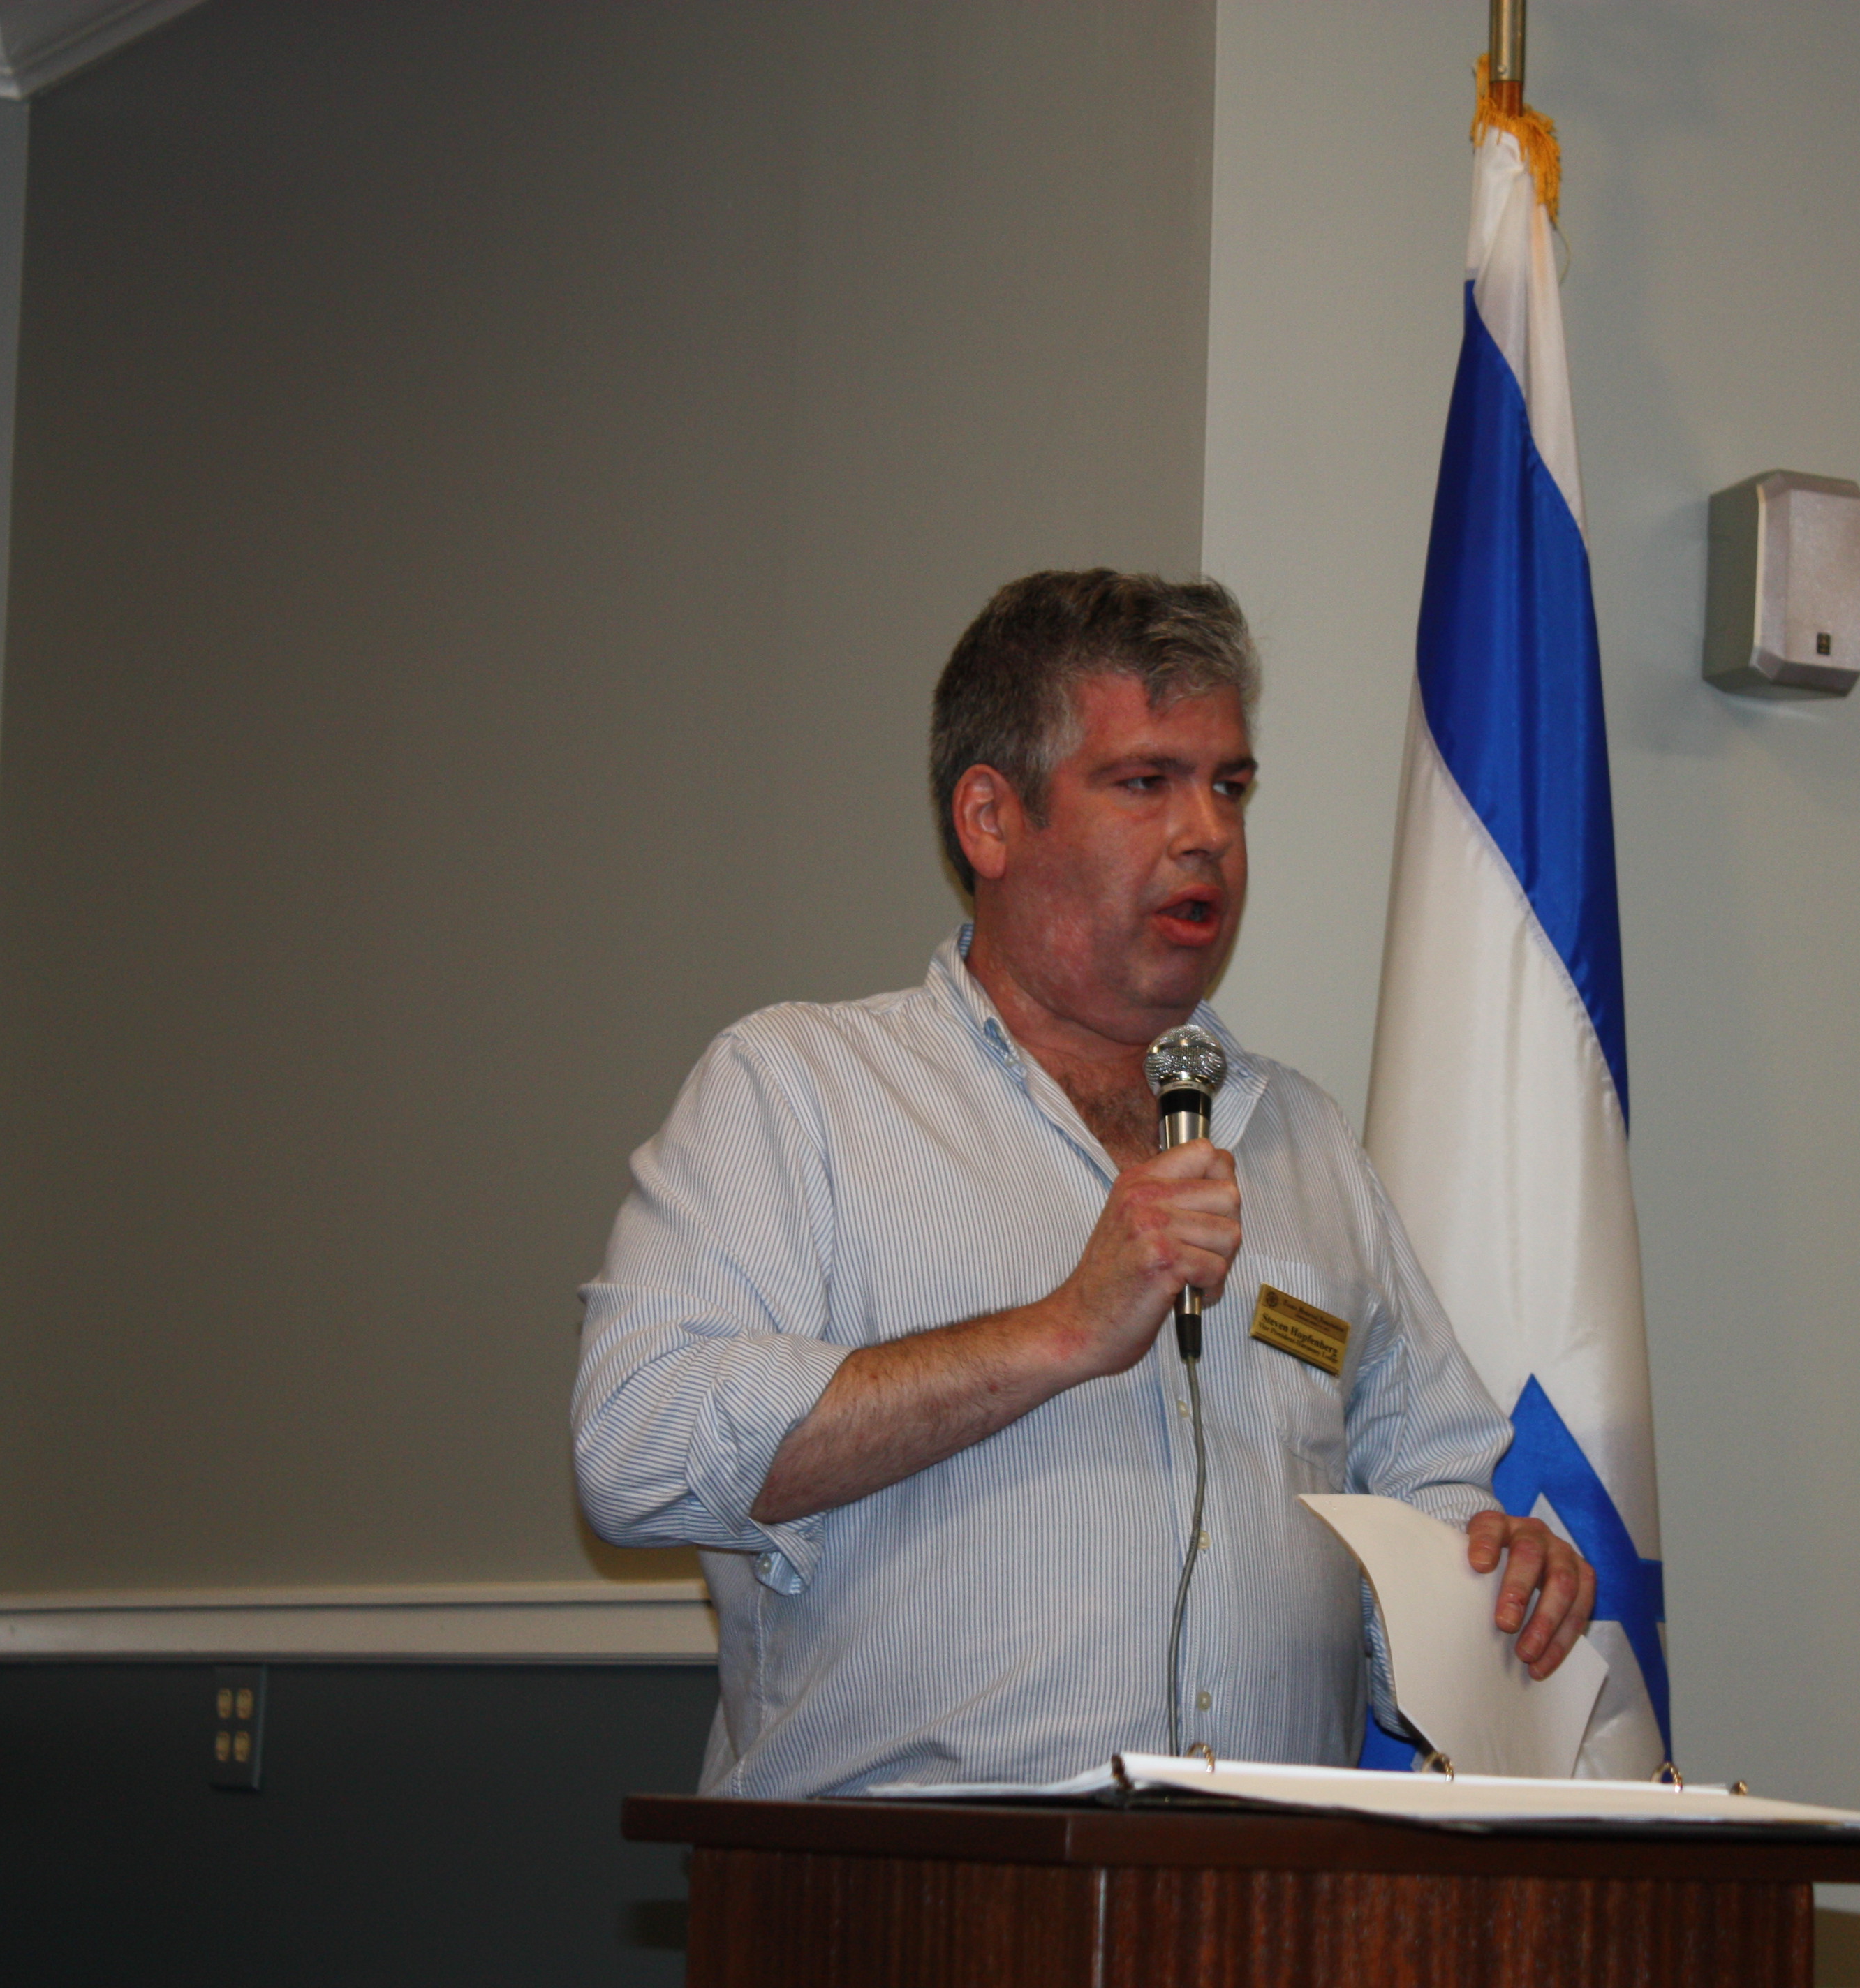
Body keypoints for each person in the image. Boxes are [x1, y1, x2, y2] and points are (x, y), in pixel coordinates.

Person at [573, 568, 1593, 1797]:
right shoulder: (799, 1092)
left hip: (1270, 1883)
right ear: (990, 821)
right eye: (1145, 782)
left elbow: (1431, 1483)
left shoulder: (1303, 1140)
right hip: (900, 1883)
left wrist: (1492, 1578)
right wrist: (1058, 1331)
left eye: (1229, 785)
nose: (1206, 831)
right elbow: (635, 1449)